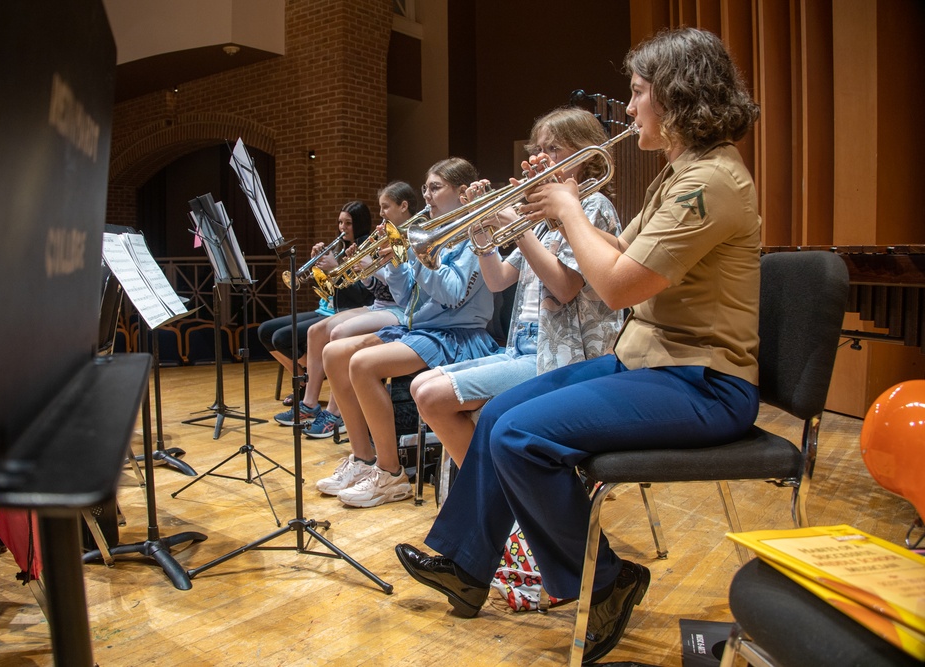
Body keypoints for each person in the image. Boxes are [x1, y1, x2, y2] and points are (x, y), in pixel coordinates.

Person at [395, 26, 762, 665]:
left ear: (675, 99)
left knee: (518, 435)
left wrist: (568, 209)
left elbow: (616, 288)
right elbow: (622, 257)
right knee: (503, 415)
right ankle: (466, 565)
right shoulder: (679, 176)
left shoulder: (712, 184)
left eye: (639, 93)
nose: (630, 108)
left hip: (704, 383)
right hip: (651, 365)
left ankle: (609, 580)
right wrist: (534, 214)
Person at [410, 107, 624, 467]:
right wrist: (480, 225)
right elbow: (497, 280)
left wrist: (518, 225)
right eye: (538, 149)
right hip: (522, 346)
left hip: (562, 356)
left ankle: (495, 496)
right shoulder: (542, 216)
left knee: (433, 395)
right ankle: (500, 493)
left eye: (553, 148)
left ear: (586, 154)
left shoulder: (592, 206)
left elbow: (565, 287)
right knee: (421, 386)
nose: (541, 158)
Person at [315, 158, 499, 507]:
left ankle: (390, 472)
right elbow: (405, 296)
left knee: (363, 364)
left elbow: (451, 293)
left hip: (457, 336)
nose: (426, 195)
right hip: (420, 329)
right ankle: (362, 458)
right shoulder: (432, 232)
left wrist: (415, 254)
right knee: (333, 353)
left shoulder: (473, 234)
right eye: (425, 188)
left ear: (463, 193)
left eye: (435, 187)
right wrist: (398, 263)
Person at [273, 182, 418, 438]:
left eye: (386, 207)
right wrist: (362, 270)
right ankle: (309, 404)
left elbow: (401, 288)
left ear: (403, 206)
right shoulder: (385, 234)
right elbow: (373, 286)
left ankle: (335, 414)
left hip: (401, 308)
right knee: (317, 331)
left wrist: (369, 266)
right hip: (380, 304)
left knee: (339, 334)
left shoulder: (413, 235)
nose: (381, 213)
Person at [256, 201, 373, 406]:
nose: (342, 228)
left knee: (281, 338)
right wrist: (318, 265)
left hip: (343, 312)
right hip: (325, 308)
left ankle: (315, 374)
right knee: (265, 331)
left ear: (360, 224)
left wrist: (335, 268)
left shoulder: (365, 250)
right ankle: (303, 378)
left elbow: (361, 296)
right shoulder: (340, 247)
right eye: (340, 222)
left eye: (348, 223)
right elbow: (327, 286)